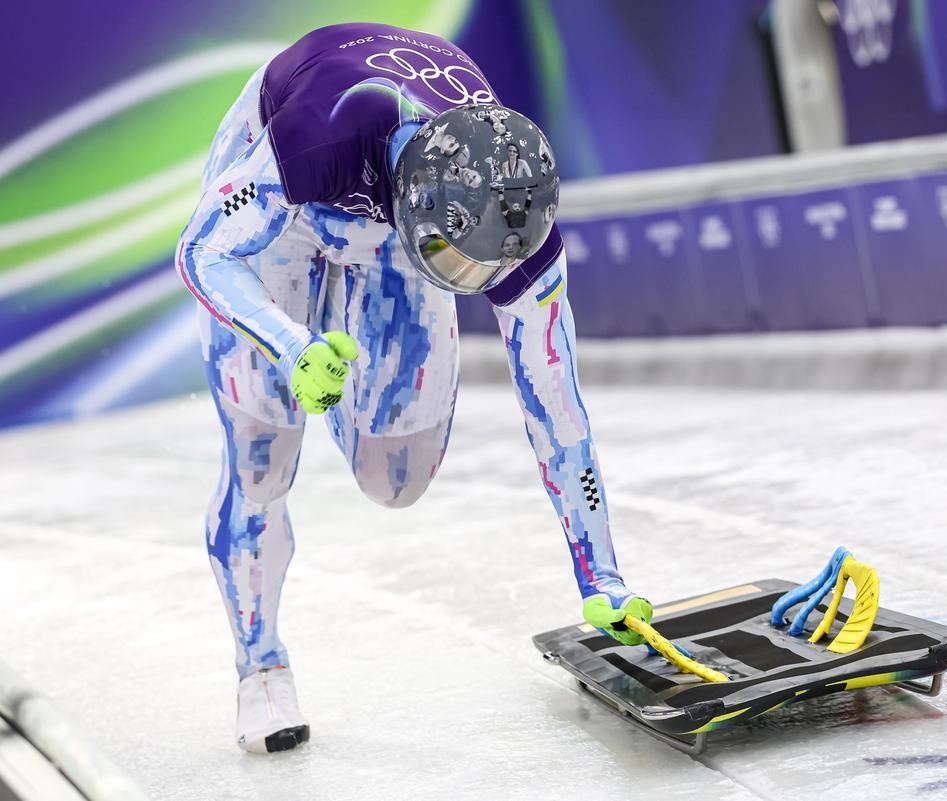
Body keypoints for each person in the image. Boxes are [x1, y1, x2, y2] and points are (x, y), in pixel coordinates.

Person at [176, 22, 651, 755]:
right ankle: (260, 664)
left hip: (399, 233)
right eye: (457, 269)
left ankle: (340, 351)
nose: (474, 283)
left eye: (474, 274)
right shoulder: (318, 134)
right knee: (262, 458)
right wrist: (290, 345)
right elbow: (203, 251)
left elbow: (560, 413)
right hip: (289, 206)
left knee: (395, 478)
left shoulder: (517, 229)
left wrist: (603, 577)